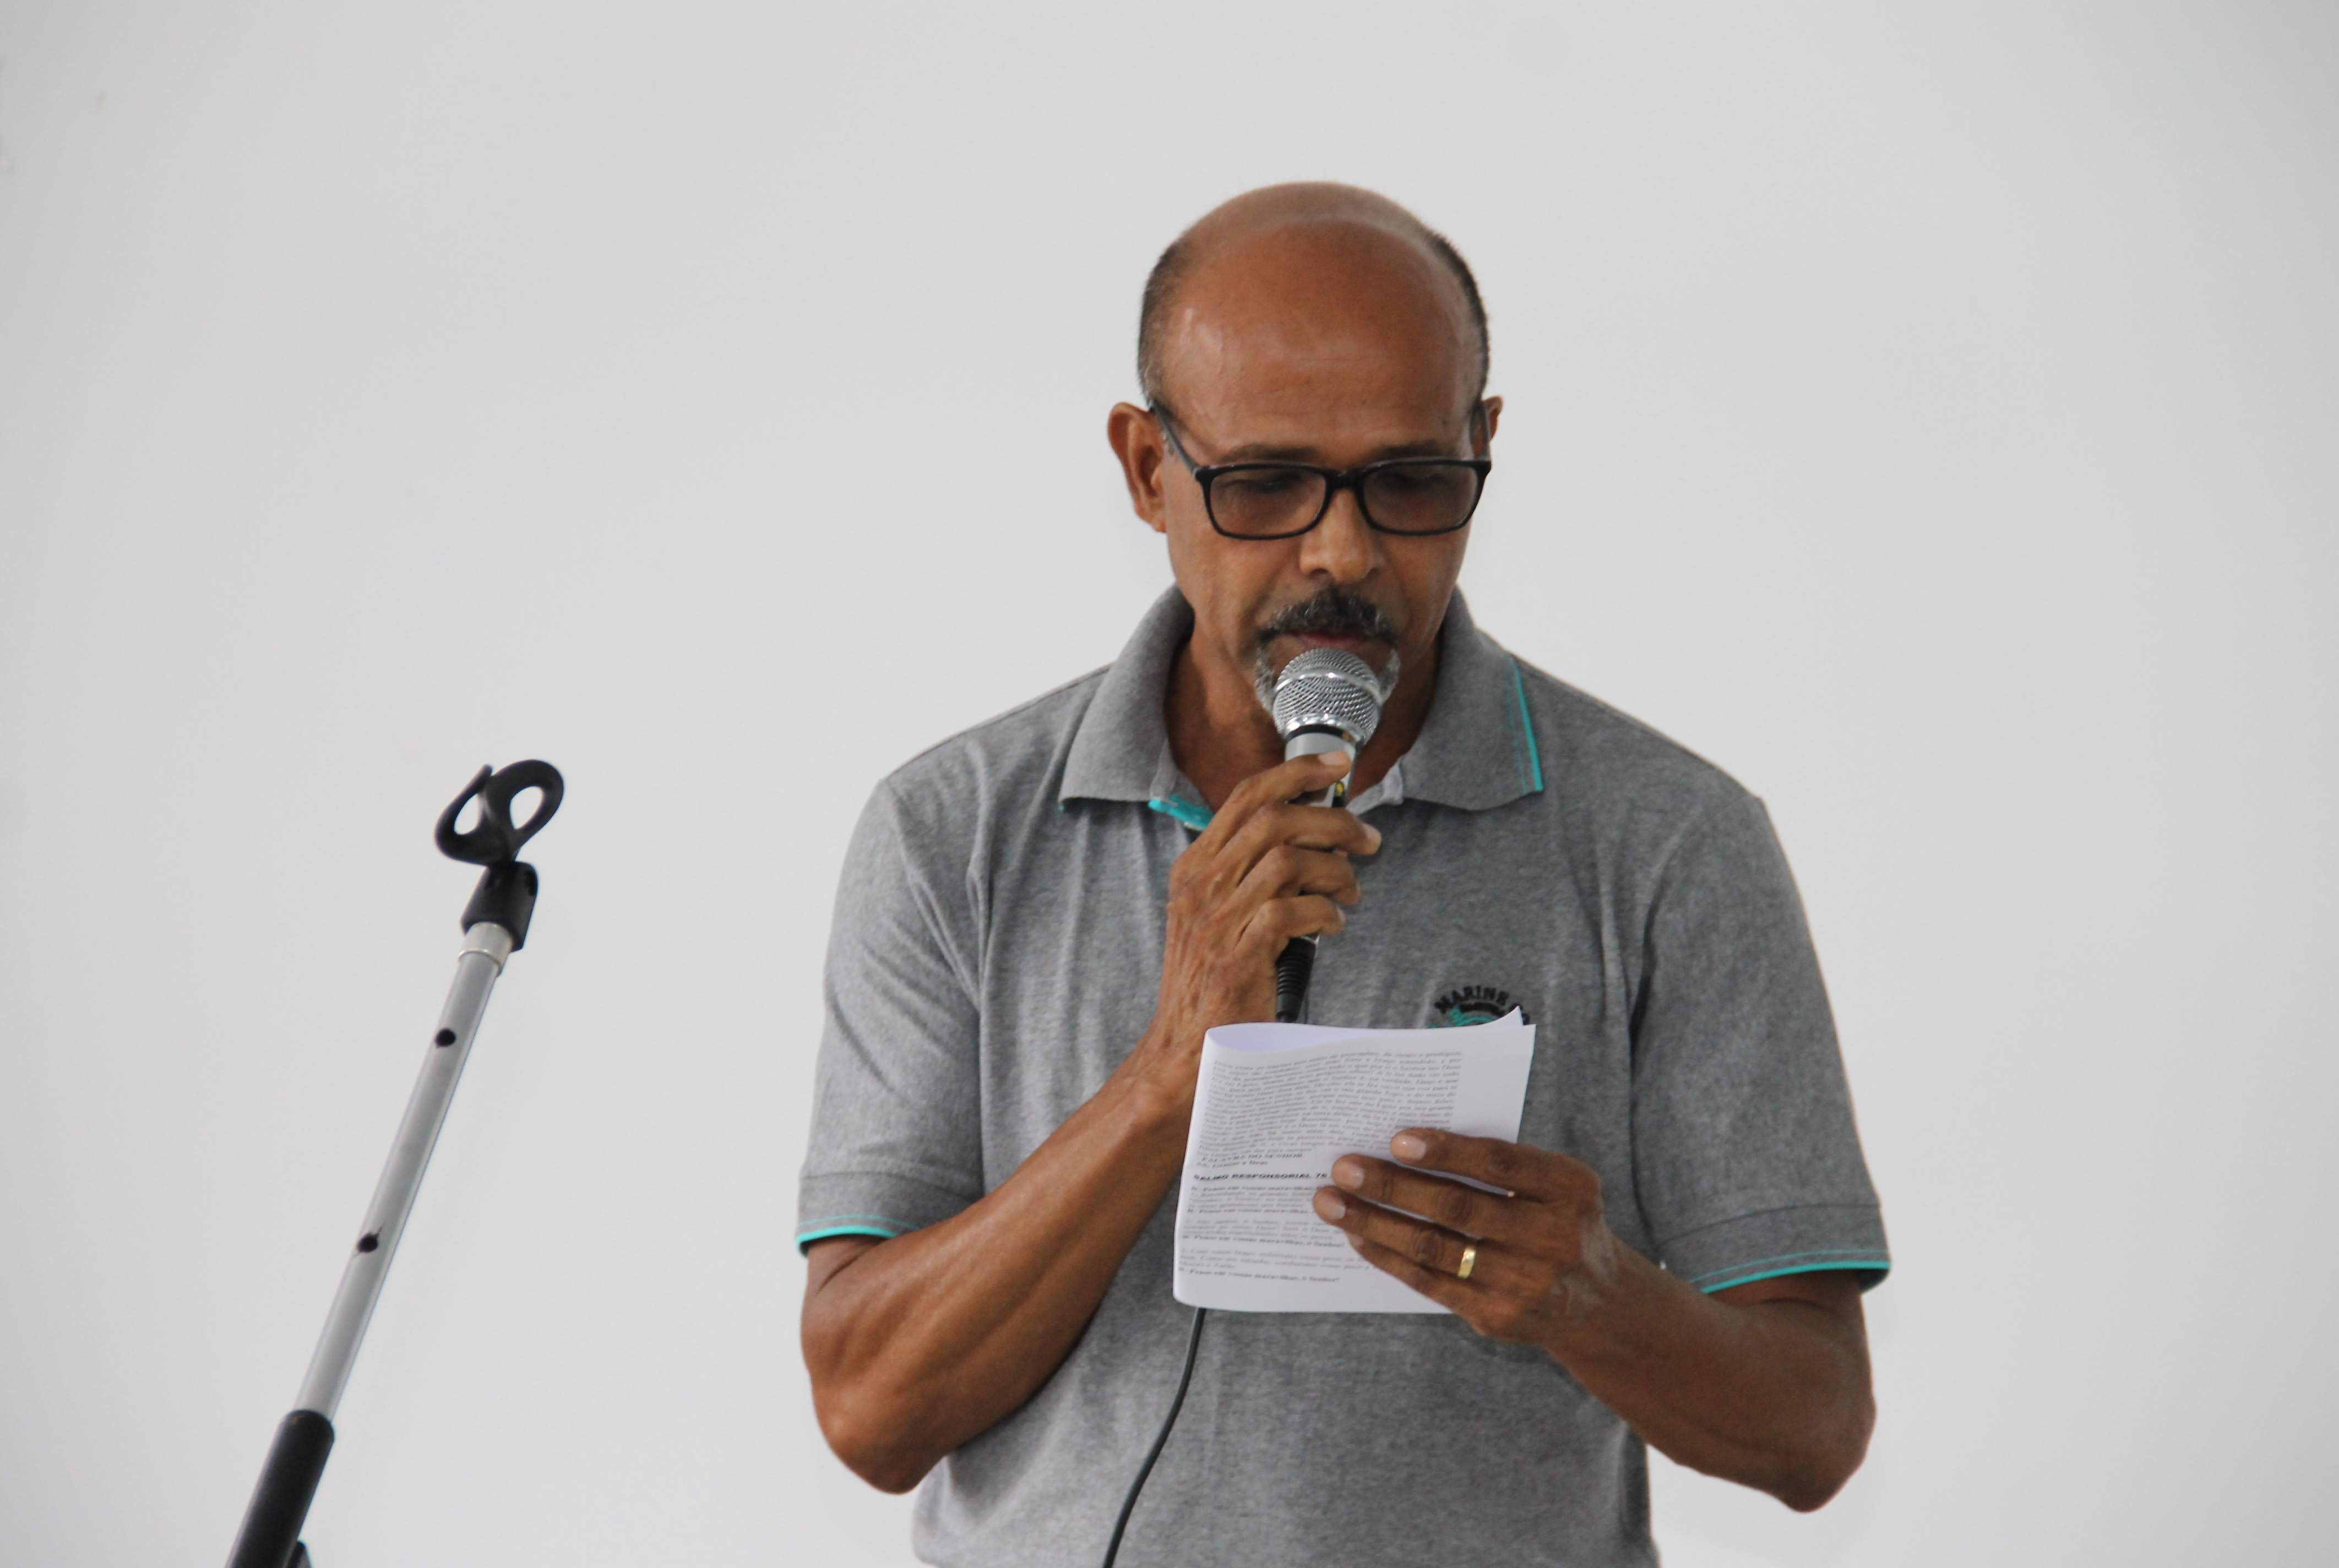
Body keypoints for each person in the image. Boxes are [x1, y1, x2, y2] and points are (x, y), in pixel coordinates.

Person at [795, 182, 1889, 1567]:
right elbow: (871, 1408)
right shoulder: (950, 830)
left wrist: (1596, 1296)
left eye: (1413, 481)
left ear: (1484, 448)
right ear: (1147, 469)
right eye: (1265, 485)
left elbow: (1814, 1428)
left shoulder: (1671, 839)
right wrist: (1165, 1078)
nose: (1346, 553)